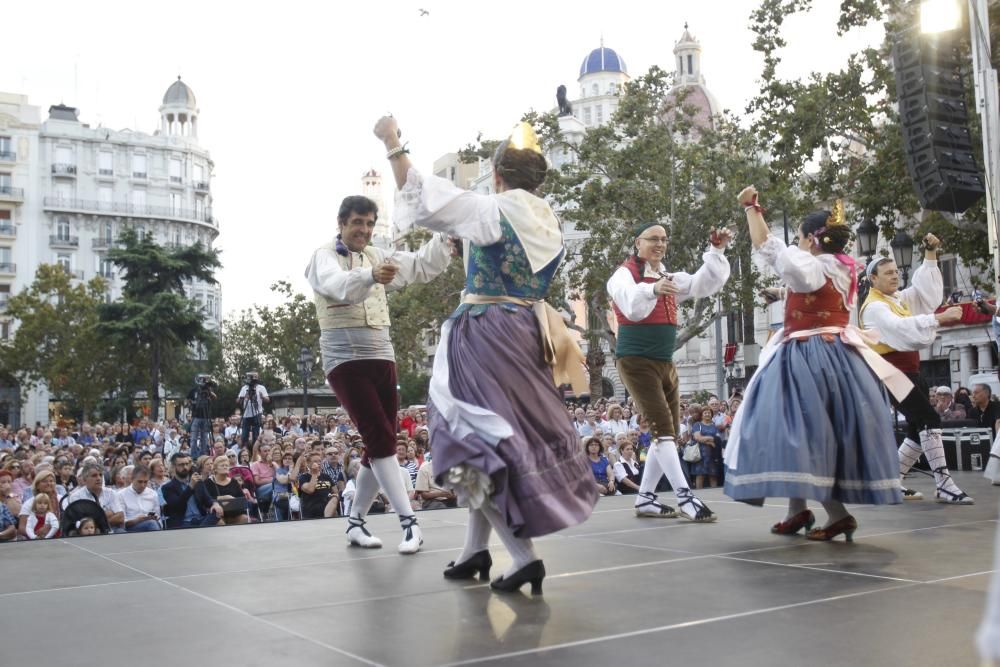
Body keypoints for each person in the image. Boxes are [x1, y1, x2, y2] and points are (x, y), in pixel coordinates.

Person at [376, 115, 596, 594]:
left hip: (486, 333)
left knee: (468, 442)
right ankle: (475, 550)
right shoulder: (546, 219)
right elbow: (436, 254)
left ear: (496, 175)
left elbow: (425, 200)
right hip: (525, 331)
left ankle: (522, 556)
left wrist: (394, 143)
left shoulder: (493, 212)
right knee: (484, 439)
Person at [724, 188, 907, 540]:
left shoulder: (812, 264)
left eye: (801, 238)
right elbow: (817, 291)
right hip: (838, 353)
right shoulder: (846, 266)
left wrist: (751, 208)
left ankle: (836, 514)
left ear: (811, 238)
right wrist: (781, 295)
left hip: (808, 355)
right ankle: (798, 510)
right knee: (808, 430)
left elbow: (771, 249)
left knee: (799, 430)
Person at [304, 190, 451, 555]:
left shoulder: (377, 254)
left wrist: (444, 236)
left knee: (378, 441)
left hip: (382, 355)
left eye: (370, 224)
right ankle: (409, 524)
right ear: (341, 223)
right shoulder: (323, 257)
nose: (365, 230)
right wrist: (370, 275)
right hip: (345, 359)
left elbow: (418, 267)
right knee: (381, 438)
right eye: (357, 223)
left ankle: (355, 523)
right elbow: (336, 285)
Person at [607, 221, 731, 522]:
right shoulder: (624, 274)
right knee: (663, 431)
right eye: (653, 239)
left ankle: (646, 498)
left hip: (664, 362)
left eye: (664, 239)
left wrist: (716, 249)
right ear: (638, 242)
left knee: (668, 434)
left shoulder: (667, 275)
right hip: (636, 361)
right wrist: (652, 288)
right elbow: (631, 304)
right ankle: (685, 498)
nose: (660, 244)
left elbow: (703, 284)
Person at [858, 247, 972, 503]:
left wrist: (930, 255)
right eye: (888, 273)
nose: (895, 276)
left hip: (911, 370)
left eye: (896, 271)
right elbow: (901, 327)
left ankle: (892, 481)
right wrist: (938, 319)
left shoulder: (896, 300)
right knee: (929, 418)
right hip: (892, 372)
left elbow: (923, 295)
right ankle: (943, 483)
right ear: (873, 279)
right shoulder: (875, 307)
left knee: (915, 429)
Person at [194, 455, 248, 525]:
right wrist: (223, 498)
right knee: (220, 522)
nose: (225, 467)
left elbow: (241, 499)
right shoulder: (208, 482)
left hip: (233, 513)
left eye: (226, 465)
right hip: (217, 515)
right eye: (222, 466)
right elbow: (205, 500)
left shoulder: (234, 481)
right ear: (215, 469)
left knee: (244, 518)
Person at [119, 463, 162, 532]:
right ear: (132, 479)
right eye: (140, 482)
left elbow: (158, 517)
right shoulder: (121, 495)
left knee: (153, 523)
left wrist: (154, 517)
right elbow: (121, 522)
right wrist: (138, 520)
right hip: (130, 528)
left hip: (151, 526)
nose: (143, 485)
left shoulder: (153, 494)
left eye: (145, 482)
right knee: (152, 524)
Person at [161, 453, 197, 529]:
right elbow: (177, 506)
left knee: (216, 515)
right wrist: (190, 487)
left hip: (201, 519)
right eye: (181, 465)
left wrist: (215, 504)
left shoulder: (197, 482)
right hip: (183, 522)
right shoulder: (167, 487)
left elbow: (208, 500)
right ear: (174, 467)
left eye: (187, 464)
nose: (185, 467)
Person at [298, 452, 339, 519]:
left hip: (328, 510)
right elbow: (310, 490)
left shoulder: (326, 476)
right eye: (315, 461)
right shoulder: (303, 477)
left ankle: (327, 518)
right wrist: (314, 474)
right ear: (308, 463)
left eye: (320, 461)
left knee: (335, 498)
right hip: (311, 512)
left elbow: (335, 492)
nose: (319, 463)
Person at [689, 407, 721, 489]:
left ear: (711, 415)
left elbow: (717, 439)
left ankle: (715, 497)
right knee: (700, 475)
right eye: (705, 413)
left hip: (712, 454)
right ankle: (700, 497)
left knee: (713, 475)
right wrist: (710, 440)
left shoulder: (714, 426)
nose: (707, 414)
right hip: (700, 454)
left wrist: (707, 439)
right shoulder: (697, 425)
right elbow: (697, 438)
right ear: (702, 415)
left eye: (709, 413)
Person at [187, 375, 217, 459]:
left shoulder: (208, 390)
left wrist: (209, 391)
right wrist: (192, 404)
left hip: (206, 417)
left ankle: (203, 456)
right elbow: (188, 400)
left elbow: (215, 397)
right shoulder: (194, 390)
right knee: (193, 438)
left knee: (204, 438)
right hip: (196, 416)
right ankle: (194, 456)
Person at [237, 373, 269, 448]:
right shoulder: (244, 388)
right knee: (244, 435)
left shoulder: (261, 387)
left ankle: (255, 450)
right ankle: (244, 451)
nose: (254, 379)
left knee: (256, 434)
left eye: (255, 377)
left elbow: (268, 399)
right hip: (246, 414)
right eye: (252, 377)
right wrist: (244, 397)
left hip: (257, 413)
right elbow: (238, 400)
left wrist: (262, 397)